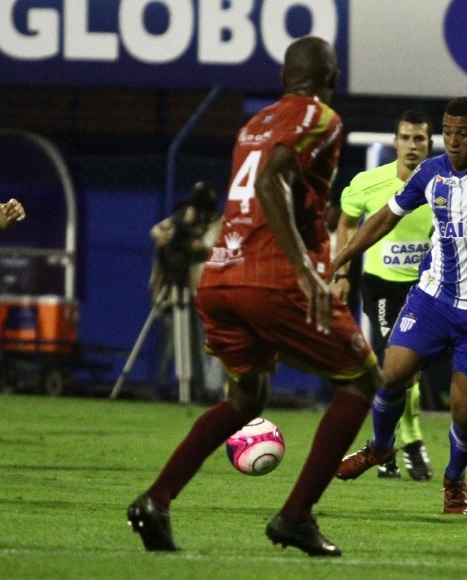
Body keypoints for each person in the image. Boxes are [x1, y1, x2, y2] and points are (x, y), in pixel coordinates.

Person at [126, 36, 382, 557]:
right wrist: (305, 272)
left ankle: (156, 500)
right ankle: (295, 516)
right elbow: (271, 183)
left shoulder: (254, 123)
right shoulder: (322, 119)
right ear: (333, 78)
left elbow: (259, 180)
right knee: (362, 381)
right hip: (273, 278)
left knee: (246, 398)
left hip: (220, 278)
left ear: (285, 78)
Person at [330, 97, 467, 515]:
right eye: (448, 131)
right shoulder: (429, 173)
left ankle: (454, 479)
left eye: (463, 133)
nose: (452, 140)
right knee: (391, 374)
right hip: (433, 297)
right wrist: (341, 258)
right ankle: (380, 447)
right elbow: (383, 217)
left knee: (464, 413)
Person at [332, 110, 436, 480]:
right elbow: (345, 222)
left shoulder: (442, 184)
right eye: (406, 138)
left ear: (429, 143)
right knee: (397, 369)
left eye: (419, 139)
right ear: (395, 142)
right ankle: (411, 442)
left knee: (412, 373)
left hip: (426, 288)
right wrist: (342, 271)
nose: (412, 145)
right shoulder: (368, 183)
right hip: (382, 285)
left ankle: (385, 445)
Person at [148, 181, 223, 402]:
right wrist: (178, 233)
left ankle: (211, 389)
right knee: (184, 341)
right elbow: (156, 231)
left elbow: (208, 247)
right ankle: (186, 386)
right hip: (185, 289)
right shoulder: (184, 217)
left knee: (212, 343)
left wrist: (185, 241)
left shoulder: (219, 222)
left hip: (210, 290)